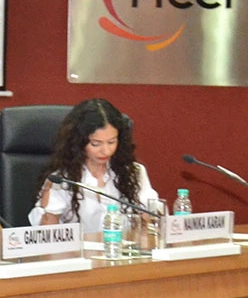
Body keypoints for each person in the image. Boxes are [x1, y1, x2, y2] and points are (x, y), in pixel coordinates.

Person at [31, 98, 157, 235]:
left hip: (123, 247)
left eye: (111, 142)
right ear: (79, 142)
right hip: (78, 249)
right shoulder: (62, 180)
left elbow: (151, 221)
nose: (106, 151)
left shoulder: (133, 173)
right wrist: (48, 209)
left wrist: (149, 218)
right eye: (96, 144)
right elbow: (48, 235)